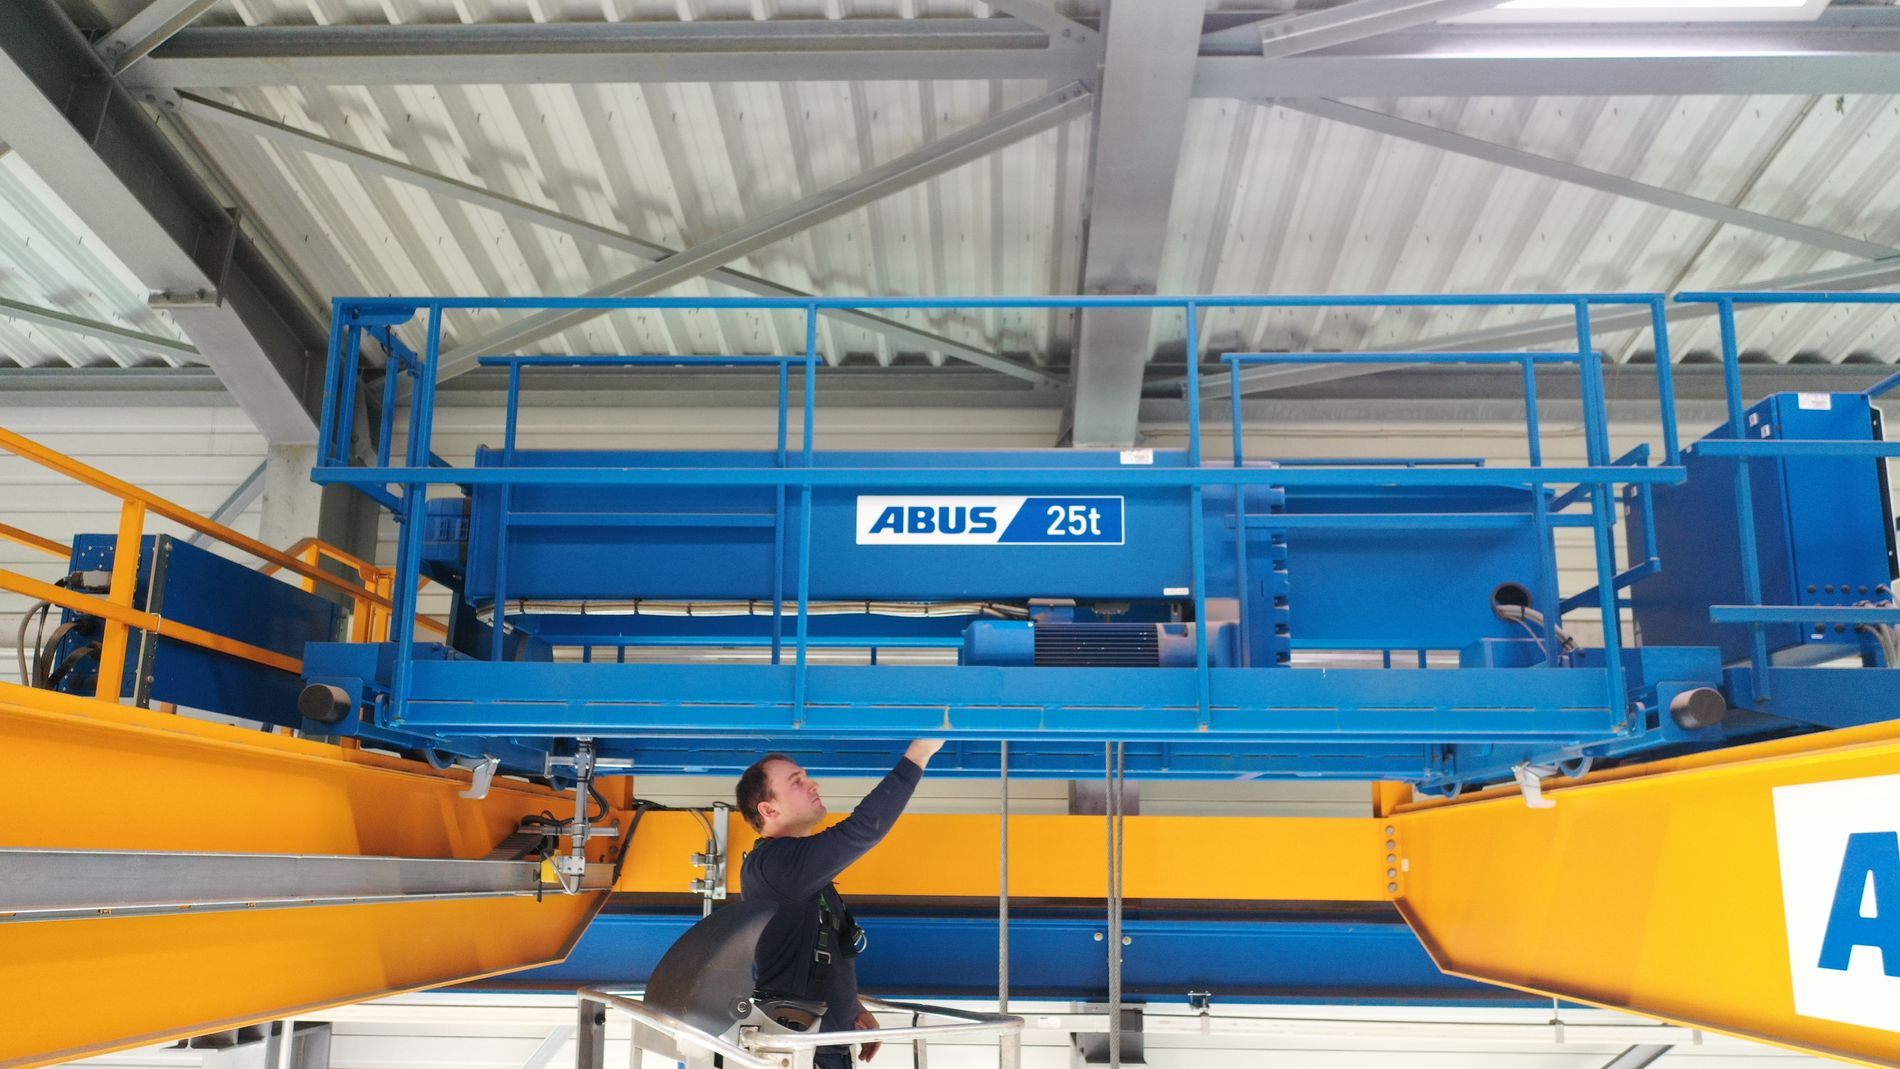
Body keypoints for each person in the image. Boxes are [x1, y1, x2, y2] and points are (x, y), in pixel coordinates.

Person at [735, 740, 944, 1068]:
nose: (813, 784)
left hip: (820, 1047)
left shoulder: (798, 873)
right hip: (802, 1052)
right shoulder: (776, 865)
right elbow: (863, 830)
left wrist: (853, 1009)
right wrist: (919, 754)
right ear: (769, 810)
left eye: (806, 777)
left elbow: (818, 955)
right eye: (797, 782)